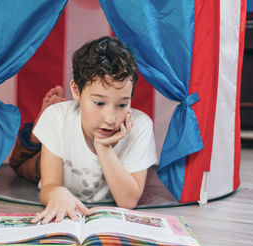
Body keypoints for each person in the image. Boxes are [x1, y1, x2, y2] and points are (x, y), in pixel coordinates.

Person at [15, 36, 157, 224]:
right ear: (76, 90)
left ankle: (38, 134)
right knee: (21, 166)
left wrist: (103, 147)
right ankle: (35, 134)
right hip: (57, 154)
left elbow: (128, 200)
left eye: (122, 104)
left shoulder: (141, 126)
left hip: (77, 157)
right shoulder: (58, 118)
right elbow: (49, 186)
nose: (110, 119)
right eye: (99, 103)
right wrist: (58, 192)